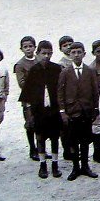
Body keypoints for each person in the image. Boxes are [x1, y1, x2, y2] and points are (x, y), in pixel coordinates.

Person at [57, 41, 99, 181]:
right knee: (73, 141)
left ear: (84, 54)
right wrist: (63, 111)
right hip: (72, 111)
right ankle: (75, 168)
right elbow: (60, 93)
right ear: (69, 54)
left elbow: (95, 91)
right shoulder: (65, 72)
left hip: (86, 111)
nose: (76, 55)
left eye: (79, 52)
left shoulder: (90, 71)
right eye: (73, 52)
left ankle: (85, 166)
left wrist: (95, 109)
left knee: (85, 140)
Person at [23, 40, 63, 179]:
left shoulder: (57, 69)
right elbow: (27, 95)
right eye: (43, 53)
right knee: (40, 137)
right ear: (37, 54)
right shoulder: (34, 70)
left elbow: (61, 90)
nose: (46, 56)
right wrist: (29, 116)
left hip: (53, 110)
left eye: (49, 53)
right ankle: (42, 165)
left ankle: (55, 164)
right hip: (39, 110)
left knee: (54, 137)